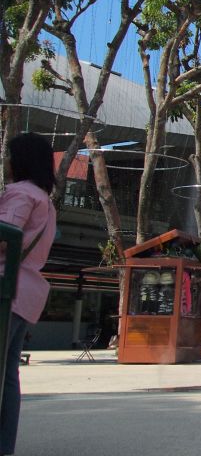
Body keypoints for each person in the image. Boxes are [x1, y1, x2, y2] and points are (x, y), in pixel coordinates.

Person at [0, 133, 58, 455]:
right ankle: (5, 444)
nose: (6, 161)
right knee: (8, 374)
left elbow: (6, 236)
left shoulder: (21, 194)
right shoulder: (46, 204)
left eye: (9, 155)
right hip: (27, 295)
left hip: (5, 289)